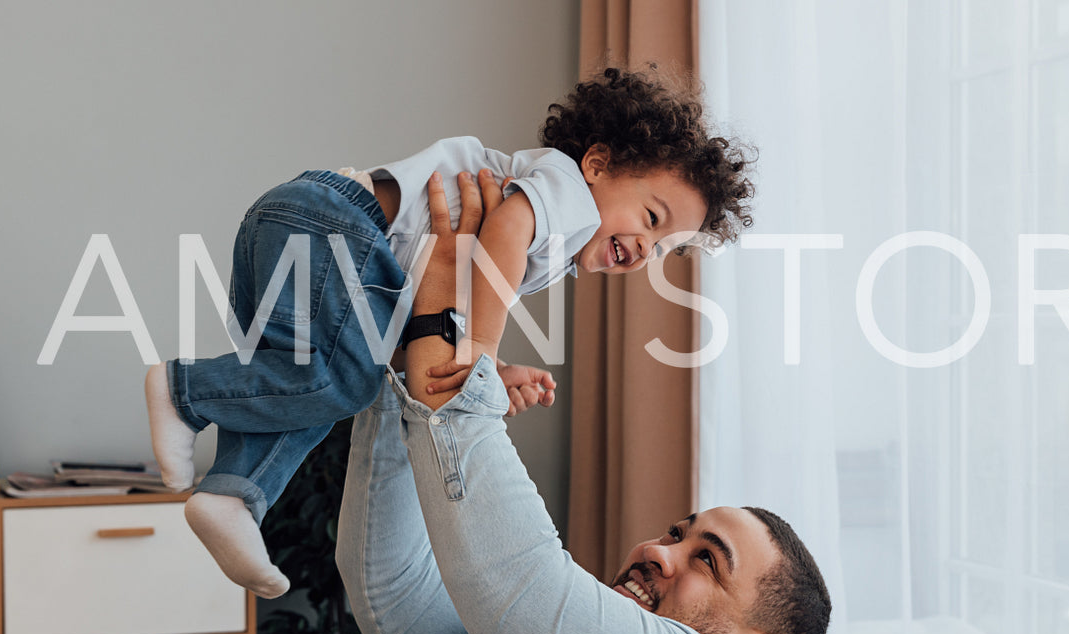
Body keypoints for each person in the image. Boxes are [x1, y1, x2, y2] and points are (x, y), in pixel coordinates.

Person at [245, 170, 831, 634]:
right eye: (677, 534)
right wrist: (416, 332)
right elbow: (392, 587)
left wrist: (452, 309)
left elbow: (517, 580)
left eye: (707, 561)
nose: (658, 551)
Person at [143, 67, 755, 598]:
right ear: (599, 164)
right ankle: (185, 391)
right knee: (342, 379)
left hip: (310, 228)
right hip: (334, 223)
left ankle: (233, 494)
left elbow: (450, 302)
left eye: (664, 248)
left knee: (313, 387)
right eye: (652, 218)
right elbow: (507, 232)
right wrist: (481, 356)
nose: (647, 248)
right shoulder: (569, 193)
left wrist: (490, 360)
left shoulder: (559, 225)